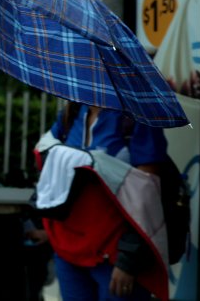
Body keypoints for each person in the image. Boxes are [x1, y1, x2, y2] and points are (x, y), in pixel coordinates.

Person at [36, 102, 170, 300]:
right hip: (68, 253)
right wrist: (46, 229)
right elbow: (51, 175)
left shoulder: (139, 117)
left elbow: (147, 198)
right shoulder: (71, 113)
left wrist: (128, 260)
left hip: (114, 257)